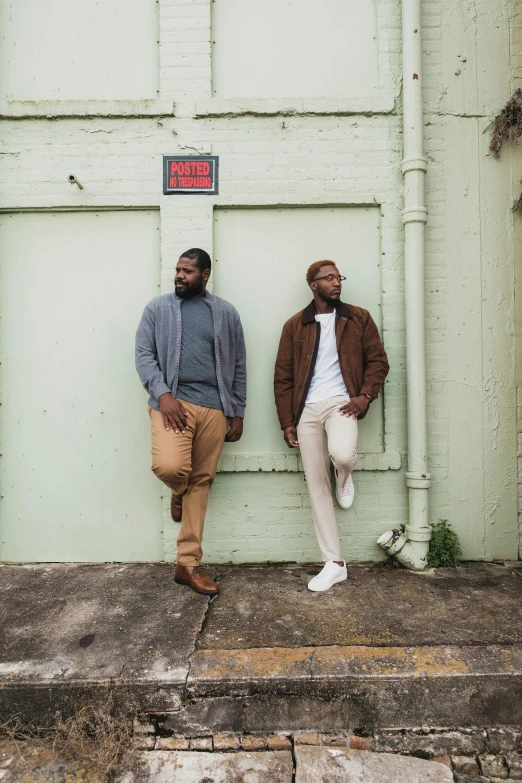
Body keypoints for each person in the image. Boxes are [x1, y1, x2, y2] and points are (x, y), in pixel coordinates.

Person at [136, 248, 246, 595]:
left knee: (202, 481)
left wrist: (238, 410)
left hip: (215, 407)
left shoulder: (226, 313)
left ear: (205, 275)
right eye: (178, 270)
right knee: (170, 467)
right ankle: (177, 490)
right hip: (172, 404)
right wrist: (163, 395)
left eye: (187, 271)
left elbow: (239, 363)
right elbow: (144, 354)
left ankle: (188, 564)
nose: (179, 276)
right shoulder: (158, 308)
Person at [274, 260, 389, 592]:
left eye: (338, 277)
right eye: (328, 278)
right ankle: (335, 563)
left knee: (341, 454)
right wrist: (287, 423)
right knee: (315, 486)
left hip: (342, 403)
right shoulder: (295, 326)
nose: (336, 282)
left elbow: (378, 361)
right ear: (313, 284)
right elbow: (282, 379)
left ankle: (345, 475)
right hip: (306, 409)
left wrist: (365, 396)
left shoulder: (359, 318)